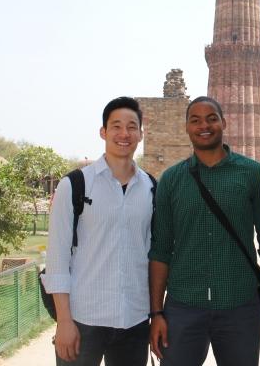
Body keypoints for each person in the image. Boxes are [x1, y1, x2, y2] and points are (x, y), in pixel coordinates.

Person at [148, 96, 260, 366]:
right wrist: (156, 312)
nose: (204, 125)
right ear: (187, 127)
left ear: (224, 122)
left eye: (212, 118)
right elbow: (161, 249)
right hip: (184, 304)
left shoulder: (252, 174)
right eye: (196, 120)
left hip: (239, 302)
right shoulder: (172, 179)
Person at [42, 97, 155, 366]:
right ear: (103, 132)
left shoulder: (150, 188)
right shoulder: (76, 185)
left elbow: (151, 255)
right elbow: (57, 258)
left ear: (141, 133)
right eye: (116, 126)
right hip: (84, 320)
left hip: (134, 320)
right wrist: (64, 321)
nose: (124, 134)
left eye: (131, 126)